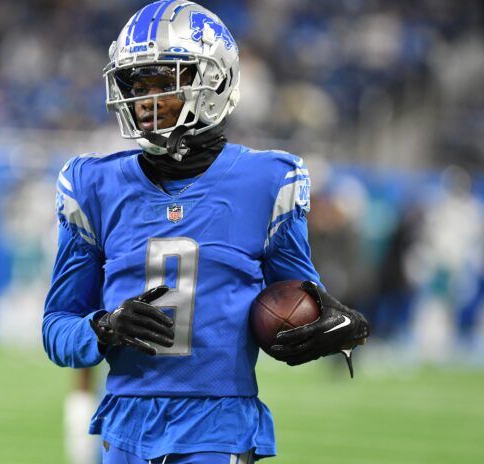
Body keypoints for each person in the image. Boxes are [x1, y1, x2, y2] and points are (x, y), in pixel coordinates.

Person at [42, 1, 370, 462]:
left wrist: (344, 327)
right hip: (123, 426)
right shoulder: (92, 185)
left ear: (212, 83)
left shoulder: (266, 180)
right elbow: (56, 329)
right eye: (136, 86)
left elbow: (297, 303)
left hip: (219, 424)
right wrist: (105, 326)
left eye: (163, 85)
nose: (145, 103)